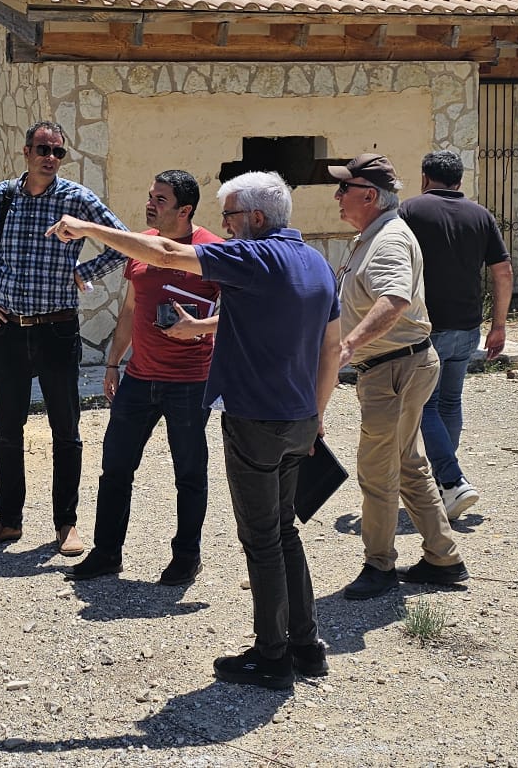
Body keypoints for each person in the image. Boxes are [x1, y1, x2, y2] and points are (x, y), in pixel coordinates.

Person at [49, 171, 341, 690]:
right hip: (299, 421)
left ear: (254, 218)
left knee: (262, 542)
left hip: (256, 421)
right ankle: (306, 645)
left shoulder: (254, 256)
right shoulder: (316, 263)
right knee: (285, 534)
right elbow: (331, 348)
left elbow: (165, 254)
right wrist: (315, 417)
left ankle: (271, 655)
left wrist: (89, 228)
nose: (224, 229)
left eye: (229, 217)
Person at [0, 121, 127, 556]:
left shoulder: (77, 200)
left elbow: (120, 243)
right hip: (7, 330)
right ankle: (8, 521)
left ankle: (66, 525)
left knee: (66, 430)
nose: (50, 157)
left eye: (58, 152)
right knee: (6, 430)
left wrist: (81, 273)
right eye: (43, 149)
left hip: (57, 330)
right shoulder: (3, 197)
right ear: (26, 152)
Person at [66, 171, 223, 587]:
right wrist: (114, 363)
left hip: (190, 382)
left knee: (189, 474)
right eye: (150, 195)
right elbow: (131, 310)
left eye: (161, 199)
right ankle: (106, 553)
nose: (151, 204)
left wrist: (200, 327)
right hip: (138, 378)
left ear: (185, 210)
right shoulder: (140, 246)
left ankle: (187, 557)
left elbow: (240, 317)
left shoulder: (213, 251)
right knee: (115, 468)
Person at [327, 153, 468, 601]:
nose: (337, 197)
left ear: (369, 195)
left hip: (393, 368)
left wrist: (350, 345)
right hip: (396, 366)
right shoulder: (373, 235)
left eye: (344, 188)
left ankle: (379, 566)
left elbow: (394, 300)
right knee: (407, 463)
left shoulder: (386, 239)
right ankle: (443, 558)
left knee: (376, 471)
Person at [398, 149, 513, 521]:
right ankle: (446, 486)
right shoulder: (481, 215)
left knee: (425, 408)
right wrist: (499, 324)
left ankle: (452, 480)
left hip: (426, 328)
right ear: (459, 181)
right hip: (467, 327)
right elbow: (503, 272)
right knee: (450, 402)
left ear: (424, 178)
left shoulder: (410, 211)